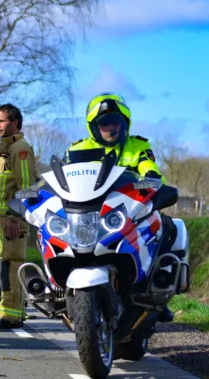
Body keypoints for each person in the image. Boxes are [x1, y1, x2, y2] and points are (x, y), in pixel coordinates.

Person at [65, 93, 175, 322]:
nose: (110, 127)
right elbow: (64, 181)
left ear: (124, 124)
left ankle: (160, 293)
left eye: (116, 122)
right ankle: (56, 289)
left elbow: (149, 168)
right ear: (94, 126)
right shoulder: (77, 150)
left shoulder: (137, 146)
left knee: (167, 228)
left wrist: (155, 180)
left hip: (129, 212)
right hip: (90, 215)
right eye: (104, 123)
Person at [0, 103, 37, 329]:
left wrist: (16, 218)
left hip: (12, 220)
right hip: (1, 221)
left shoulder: (20, 149)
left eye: (2, 121)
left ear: (15, 123)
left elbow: (26, 187)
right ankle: (8, 312)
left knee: (13, 265)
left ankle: (12, 315)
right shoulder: (4, 149)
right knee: (4, 266)